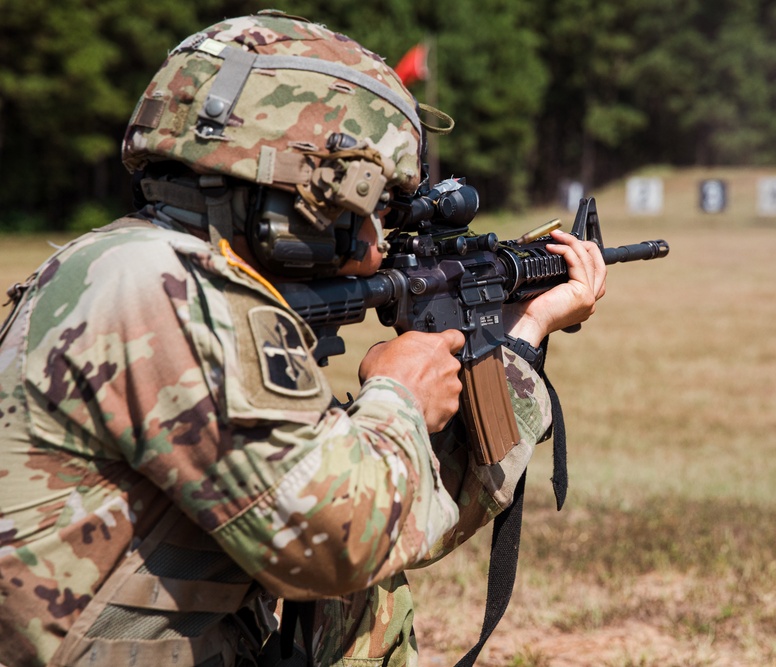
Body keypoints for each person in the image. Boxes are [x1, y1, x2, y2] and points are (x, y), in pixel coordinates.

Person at [0, 10, 606, 667]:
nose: (377, 249)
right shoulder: (160, 287)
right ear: (293, 193)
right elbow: (337, 543)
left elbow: (405, 518)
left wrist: (519, 336)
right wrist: (397, 398)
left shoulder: (141, 267)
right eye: (364, 212)